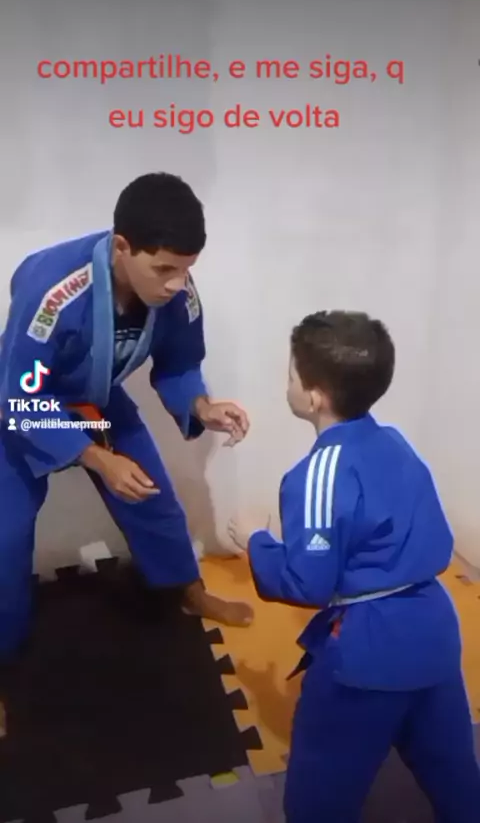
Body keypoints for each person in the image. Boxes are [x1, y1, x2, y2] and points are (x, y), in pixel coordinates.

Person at [229, 311, 480, 822]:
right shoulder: (395, 442)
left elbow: (306, 582)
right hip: (434, 630)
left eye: (291, 375)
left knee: (318, 797)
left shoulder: (316, 474)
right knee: (455, 774)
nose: (287, 384)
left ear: (314, 396)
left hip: (368, 653)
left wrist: (256, 540)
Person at [0, 172, 254, 662]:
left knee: (152, 495)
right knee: (5, 535)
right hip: (25, 400)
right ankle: (5, 649)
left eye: (186, 269)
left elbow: (179, 364)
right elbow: (22, 395)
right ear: (122, 247)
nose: (176, 283)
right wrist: (97, 458)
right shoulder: (52, 293)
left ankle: (187, 591)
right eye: (164, 269)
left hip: (96, 398)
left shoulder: (178, 290)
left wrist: (202, 406)